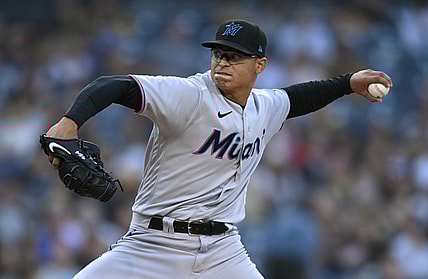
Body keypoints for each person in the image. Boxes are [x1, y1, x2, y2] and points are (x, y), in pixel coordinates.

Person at [45, 19, 393, 279]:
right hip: (153, 244)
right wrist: (69, 123)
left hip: (223, 251)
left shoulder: (264, 106)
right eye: (219, 54)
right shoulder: (191, 96)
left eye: (235, 57)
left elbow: (301, 97)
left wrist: (348, 83)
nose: (223, 62)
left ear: (260, 65)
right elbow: (115, 85)